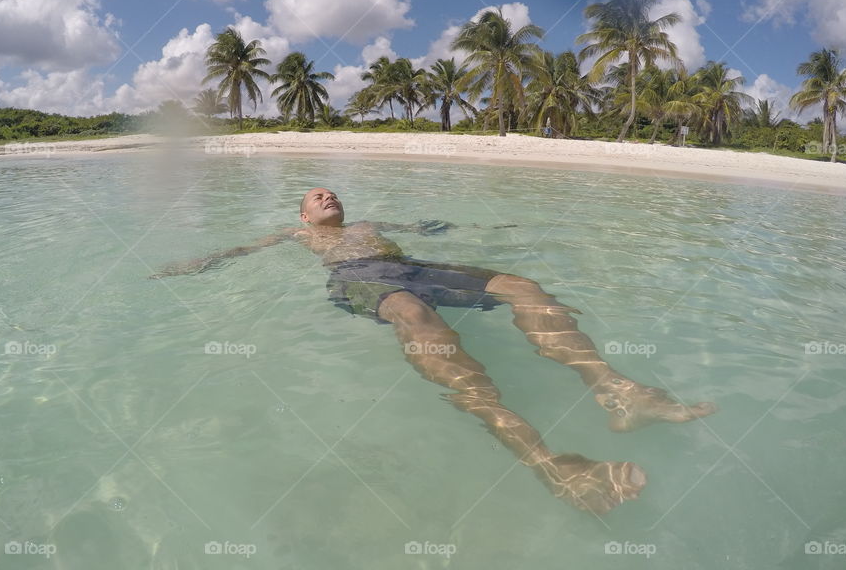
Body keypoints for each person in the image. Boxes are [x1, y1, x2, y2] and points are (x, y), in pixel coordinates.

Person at [152, 188, 716, 515]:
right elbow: (239, 250)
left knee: (520, 285)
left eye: (332, 193)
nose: (328, 197)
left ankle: (616, 391)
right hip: (363, 279)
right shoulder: (296, 235)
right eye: (316, 197)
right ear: (304, 216)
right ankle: (546, 463)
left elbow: (431, 226)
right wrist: (198, 262)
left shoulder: (371, 223)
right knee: (415, 316)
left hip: (413, 267)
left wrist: (482, 225)